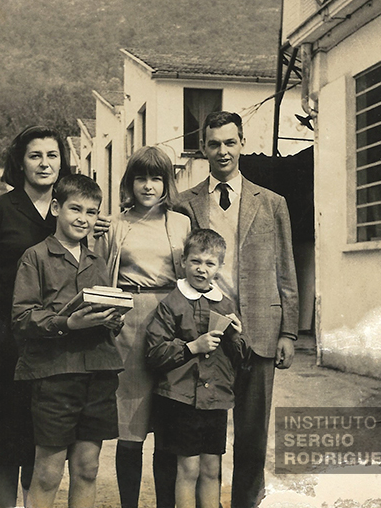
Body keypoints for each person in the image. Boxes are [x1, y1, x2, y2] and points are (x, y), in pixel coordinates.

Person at [175, 111, 299, 508]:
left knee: (252, 436)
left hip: (262, 330)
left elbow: (286, 267)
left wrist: (289, 332)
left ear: (242, 143)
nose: (223, 151)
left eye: (230, 142)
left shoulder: (273, 203)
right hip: (206, 332)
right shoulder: (184, 203)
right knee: (201, 436)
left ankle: (247, 502)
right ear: (203, 148)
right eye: (214, 144)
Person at [0, 125, 70, 508]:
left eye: (52, 155)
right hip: (6, 343)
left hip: (55, 341)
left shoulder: (68, 210)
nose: (44, 163)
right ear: (20, 163)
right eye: (35, 155)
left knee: (45, 440)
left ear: (62, 161)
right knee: (5, 441)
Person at [11, 174, 124, 508]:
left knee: (87, 469)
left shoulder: (97, 262)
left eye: (91, 212)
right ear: (57, 208)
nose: (83, 218)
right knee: (47, 474)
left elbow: (106, 318)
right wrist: (67, 323)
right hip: (54, 376)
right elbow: (21, 317)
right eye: (75, 209)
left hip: (99, 375)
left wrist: (112, 320)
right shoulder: (36, 257)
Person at [96, 145, 191, 508]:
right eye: (141, 178)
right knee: (130, 425)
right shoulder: (115, 223)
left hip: (171, 322)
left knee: (167, 421)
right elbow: (101, 276)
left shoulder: (180, 222)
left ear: (167, 181)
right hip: (129, 324)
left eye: (156, 178)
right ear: (129, 182)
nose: (148, 186)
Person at [146, 229, 250, 508]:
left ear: (220, 267)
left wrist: (237, 336)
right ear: (183, 261)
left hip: (215, 399)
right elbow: (155, 353)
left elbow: (241, 358)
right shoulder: (171, 304)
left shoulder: (226, 303)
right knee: (188, 469)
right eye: (195, 262)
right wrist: (193, 346)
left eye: (209, 263)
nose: (201, 270)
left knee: (210, 469)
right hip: (181, 400)